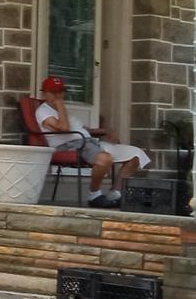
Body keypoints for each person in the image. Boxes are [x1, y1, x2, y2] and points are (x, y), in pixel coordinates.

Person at [34, 75, 150, 209]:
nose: (59, 95)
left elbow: (83, 129)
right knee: (104, 160)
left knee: (135, 155)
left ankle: (115, 194)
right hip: (69, 146)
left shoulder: (62, 111)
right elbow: (64, 129)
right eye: (54, 92)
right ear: (44, 93)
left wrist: (106, 131)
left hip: (88, 142)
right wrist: (60, 106)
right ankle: (94, 195)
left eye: (61, 91)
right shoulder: (43, 111)